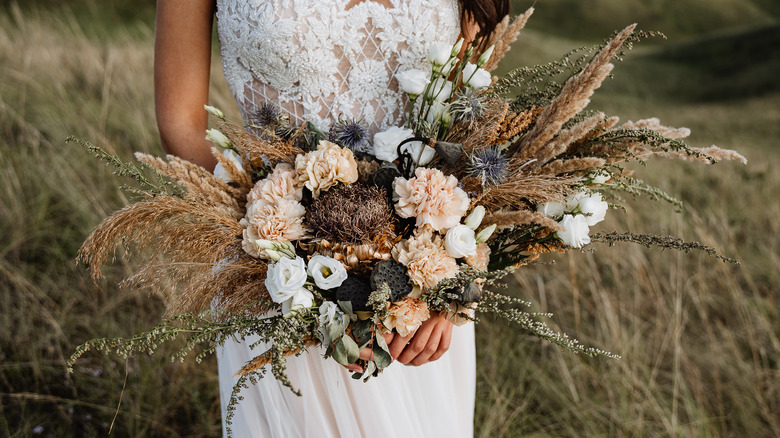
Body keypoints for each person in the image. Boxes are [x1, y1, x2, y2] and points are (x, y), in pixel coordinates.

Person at [154, 1, 509, 436]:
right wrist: (272, 245)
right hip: (278, 278)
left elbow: (468, 124)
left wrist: (451, 284)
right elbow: (182, 120)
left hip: (420, 296)